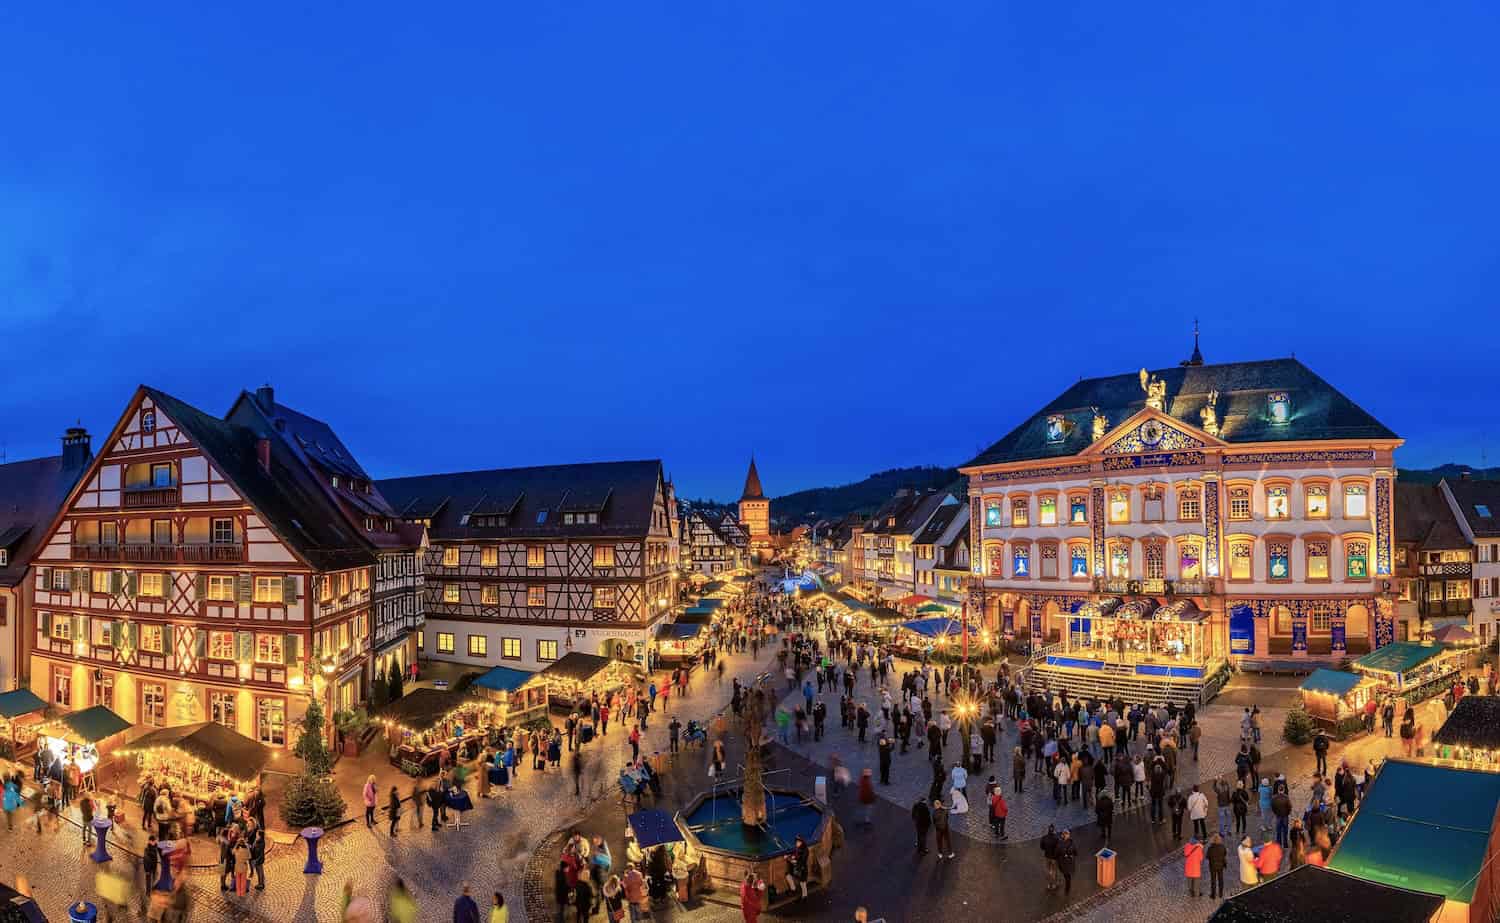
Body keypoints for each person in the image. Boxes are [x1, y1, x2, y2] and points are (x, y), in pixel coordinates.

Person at [1056, 829, 1078, 895]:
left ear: (1062, 836)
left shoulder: (1059, 844)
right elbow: (1076, 853)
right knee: (1068, 877)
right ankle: (1067, 889)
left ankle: (1066, 888)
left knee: (1065, 875)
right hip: (1070, 863)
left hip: (1063, 863)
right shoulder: (1072, 844)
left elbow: (1056, 853)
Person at [1206, 834, 1228, 898]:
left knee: (1213, 880)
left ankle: (1213, 894)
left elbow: (1207, 857)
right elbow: (1225, 854)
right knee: (1221, 879)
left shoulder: (1210, 848)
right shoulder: (1222, 847)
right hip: (1220, 865)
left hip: (1212, 866)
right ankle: (1220, 894)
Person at [1040, 825, 1060, 891]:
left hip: (1047, 857)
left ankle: (1049, 884)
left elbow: (1042, 847)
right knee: (1054, 871)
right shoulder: (1056, 838)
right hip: (1054, 858)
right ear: (1053, 830)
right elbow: (1058, 848)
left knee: (1048, 871)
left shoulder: (1044, 838)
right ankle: (1055, 884)